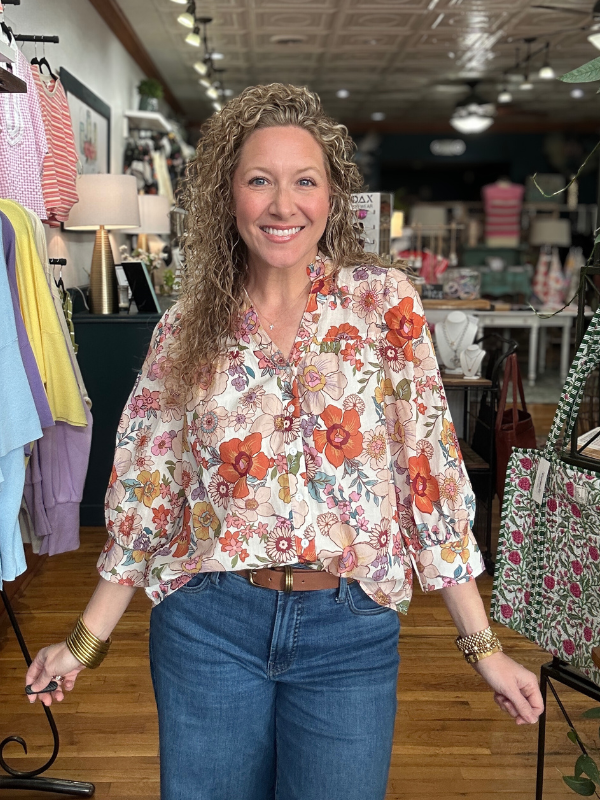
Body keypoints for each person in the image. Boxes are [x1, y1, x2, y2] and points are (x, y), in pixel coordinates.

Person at [26, 83, 544, 800]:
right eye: (259, 180)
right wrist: (82, 641)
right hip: (208, 626)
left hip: (350, 632)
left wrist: (484, 647)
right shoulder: (184, 329)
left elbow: (429, 472)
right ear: (227, 194)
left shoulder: (382, 303)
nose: (282, 204)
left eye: (305, 181)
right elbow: (150, 491)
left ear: (331, 198)